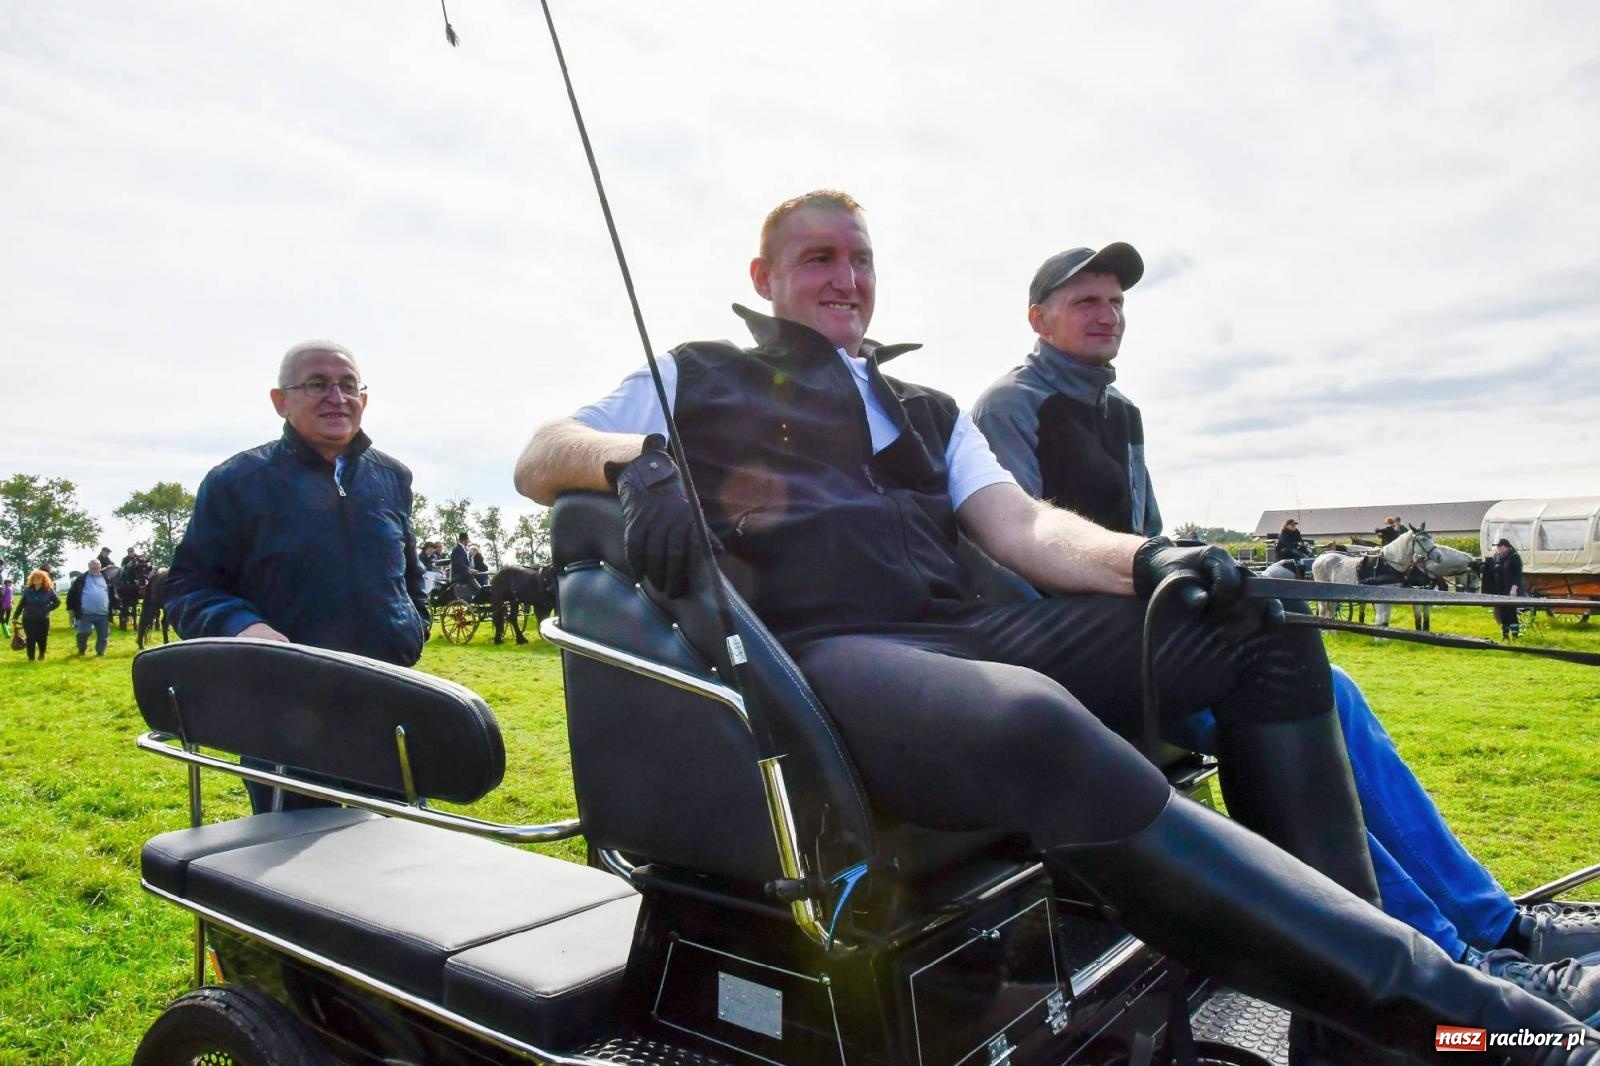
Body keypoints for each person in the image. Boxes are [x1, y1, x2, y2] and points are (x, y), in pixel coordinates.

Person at [514, 190, 1597, 1058]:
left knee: (1261, 634)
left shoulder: (929, 410)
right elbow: (540, 452)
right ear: (765, 278)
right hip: (829, 656)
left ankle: (1348, 1044)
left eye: (860, 258)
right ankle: (1486, 1030)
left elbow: (1025, 527)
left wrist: (1152, 561)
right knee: (1029, 719)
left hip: (961, 637)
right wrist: (634, 460)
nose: (846, 277)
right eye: (818, 258)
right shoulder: (698, 371)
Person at [974, 241, 1600, 1003]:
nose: (1108, 315)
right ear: (1038, 320)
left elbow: (1146, 532)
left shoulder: (1122, 411)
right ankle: (1448, 961)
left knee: (1335, 692)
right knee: (1290, 731)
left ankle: (1497, 924)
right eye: (1086, 302)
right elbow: (1016, 552)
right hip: (1090, 655)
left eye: (1116, 302)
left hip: (1151, 633)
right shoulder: (1010, 406)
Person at [165, 339, 429, 811]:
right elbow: (188, 585)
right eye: (317, 384)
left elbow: (408, 571)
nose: (337, 397)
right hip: (286, 710)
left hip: (387, 699)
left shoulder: (393, 477)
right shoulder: (236, 481)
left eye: (348, 385)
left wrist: (413, 625)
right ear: (280, 401)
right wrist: (243, 628)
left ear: (364, 399)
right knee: (298, 848)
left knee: (401, 844)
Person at [66, 558, 112, 656]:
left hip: (103, 613)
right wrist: (70, 608)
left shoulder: (106, 578)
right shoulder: (81, 578)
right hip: (85, 613)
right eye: (93, 567)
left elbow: (112, 593)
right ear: (89, 567)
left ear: (100, 567)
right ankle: (81, 650)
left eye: (97, 567)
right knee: (83, 632)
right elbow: (71, 593)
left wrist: (116, 607)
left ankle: (100, 653)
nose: (95, 569)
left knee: (104, 634)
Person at [1484, 537, 1525, 638]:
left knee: (1511, 612)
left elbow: (1518, 575)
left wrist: (1514, 588)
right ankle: (1505, 635)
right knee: (1502, 613)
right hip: (1499, 590)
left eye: (1500, 546)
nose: (1498, 548)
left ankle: (1515, 635)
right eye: (1498, 547)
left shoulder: (1514, 557)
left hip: (1510, 589)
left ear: (1506, 547)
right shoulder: (1497, 558)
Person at [17, 570, 59, 661]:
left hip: (42, 619)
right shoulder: (27, 590)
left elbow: (57, 602)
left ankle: (42, 654)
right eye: (34, 578)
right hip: (28, 618)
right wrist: (15, 617)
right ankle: (31, 658)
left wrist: (47, 609)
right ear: (31, 580)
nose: (36, 579)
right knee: (30, 639)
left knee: (42, 638)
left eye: (39, 578)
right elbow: (21, 604)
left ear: (43, 579)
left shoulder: (48, 590)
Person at [449, 532, 476, 601]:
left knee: (479, 575)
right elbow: (458, 563)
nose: (468, 541)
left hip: (463, 573)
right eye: (467, 539)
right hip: (459, 574)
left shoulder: (463, 549)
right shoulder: (457, 550)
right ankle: (477, 593)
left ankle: (477, 593)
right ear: (464, 540)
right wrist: (468, 569)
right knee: (472, 577)